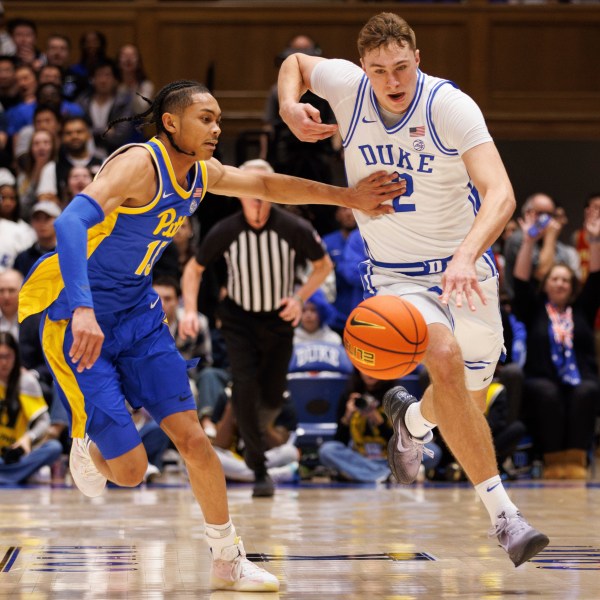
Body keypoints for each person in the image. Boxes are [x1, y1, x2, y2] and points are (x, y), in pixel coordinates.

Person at [18, 79, 399, 591]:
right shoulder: (137, 165)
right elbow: (68, 223)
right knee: (129, 472)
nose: (217, 128)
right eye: (206, 118)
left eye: (219, 119)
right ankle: (86, 441)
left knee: (195, 441)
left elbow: (266, 186)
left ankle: (227, 559)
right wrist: (83, 310)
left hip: (140, 319)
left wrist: (348, 196)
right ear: (171, 122)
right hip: (80, 322)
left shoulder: (200, 174)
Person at [278, 11, 549, 566]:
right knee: (443, 357)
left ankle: (411, 421)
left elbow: (500, 194)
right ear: (362, 69)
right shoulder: (349, 90)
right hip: (397, 276)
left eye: (402, 67)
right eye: (379, 70)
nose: (393, 81)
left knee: (463, 402)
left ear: (418, 60)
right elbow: (297, 63)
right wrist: (288, 105)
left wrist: (467, 254)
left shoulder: (449, 106)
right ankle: (505, 517)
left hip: (465, 270)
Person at [181, 158, 341, 498]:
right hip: (238, 319)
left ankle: (246, 429)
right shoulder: (225, 230)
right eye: (250, 187)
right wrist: (190, 311)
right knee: (244, 386)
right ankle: (259, 469)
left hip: (278, 318)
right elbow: (194, 270)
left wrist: (299, 298)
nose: (257, 195)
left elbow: (323, 265)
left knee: (270, 393)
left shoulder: (292, 227)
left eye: (265, 187)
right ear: (238, 191)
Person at [511, 207, 600, 480]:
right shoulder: (535, 308)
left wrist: (595, 242)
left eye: (565, 279)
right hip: (542, 377)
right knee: (546, 393)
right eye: (554, 278)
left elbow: (596, 279)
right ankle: (551, 460)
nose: (560, 283)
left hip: (580, 377)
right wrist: (528, 242)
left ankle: (574, 460)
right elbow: (521, 281)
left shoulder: (582, 309)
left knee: (586, 391)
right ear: (547, 284)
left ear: (572, 286)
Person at [319, 370, 440, 483]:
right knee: (327, 450)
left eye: (373, 369)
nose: (369, 373)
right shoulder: (350, 397)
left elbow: (404, 441)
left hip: (392, 458)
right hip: (359, 457)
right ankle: (388, 475)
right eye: (365, 369)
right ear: (358, 370)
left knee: (433, 451)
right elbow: (340, 441)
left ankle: (365, 473)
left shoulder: (397, 398)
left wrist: (380, 423)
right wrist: (346, 417)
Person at [0, 331, 63, 485]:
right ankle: (16, 476)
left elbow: (44, 422)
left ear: (15, 356)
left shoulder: (26, 381)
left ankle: (6, 476)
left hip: (19, 451)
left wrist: (28, 438)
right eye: (0, 357)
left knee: (54, 447)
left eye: (7, 356)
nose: (3, 362)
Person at [503, 193, 580, 300]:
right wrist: (550, 237)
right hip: (522, 306)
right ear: (528, 213)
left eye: (550, 214)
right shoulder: (518, 239)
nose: (546, 219)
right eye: (541, 213)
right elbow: (542, 274)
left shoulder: (559, 247)